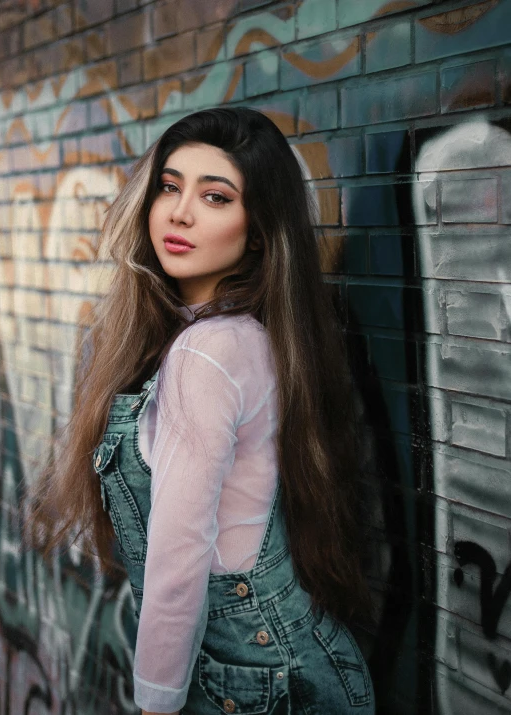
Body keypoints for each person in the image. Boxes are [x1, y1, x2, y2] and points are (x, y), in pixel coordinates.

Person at [30, 107, 375, 715]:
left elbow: (180, 549)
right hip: (281, 657)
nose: (179, 212)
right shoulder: (236, 334)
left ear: (259, 230)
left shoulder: (208, 350)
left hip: (251, 677)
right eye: (169, 185)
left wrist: (155, 703)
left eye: (215, 196)